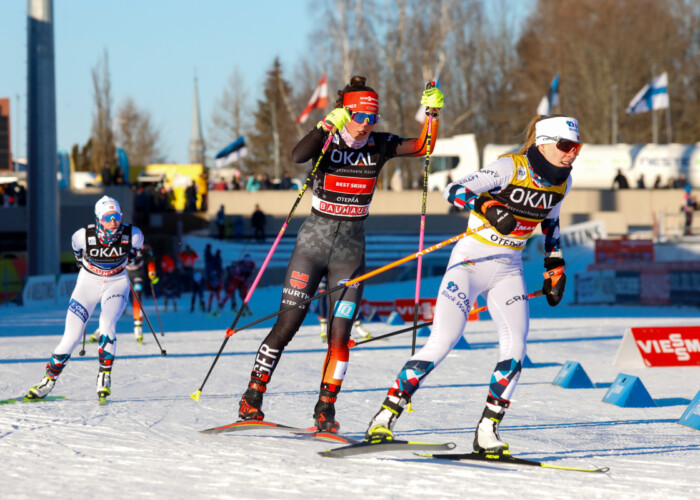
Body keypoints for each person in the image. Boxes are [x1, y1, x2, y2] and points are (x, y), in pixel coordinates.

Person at [236, 75, 445, 432]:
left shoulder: (379, 145)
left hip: (350, 255)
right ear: (345, 114)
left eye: (371, 118)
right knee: (288, 324)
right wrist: (323, 126)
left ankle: (326, 408)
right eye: (359, 117)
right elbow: (298, 155)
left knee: (340, 334)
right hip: (311, 250)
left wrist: (433, 113)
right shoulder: (327, 140)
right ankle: (252, 396)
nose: (365, 125)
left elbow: (423, 146)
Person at [363, 114, 580, 453]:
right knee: (442, 342)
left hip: (508, 270)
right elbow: (454, 189)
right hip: (469, 263)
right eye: (566, 146)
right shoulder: (511, 167)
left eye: (576, 147)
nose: (572, 153)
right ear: (544, 143)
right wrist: (489, 205)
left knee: (516, 348)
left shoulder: (562, 182)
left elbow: (551, 226)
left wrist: (555, 268)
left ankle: (487, 431)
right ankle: (383, 418)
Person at [27, 196, 144, 402]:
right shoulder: (82, 236)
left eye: (116, 216)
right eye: (108, 217)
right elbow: (78, 257)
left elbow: (132, 257)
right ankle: (48, 381)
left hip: (116, 283)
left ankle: (104, 376)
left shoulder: (133, 235)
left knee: (106, 323)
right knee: (71, 337)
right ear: (99, 219)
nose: (113, 222)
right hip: (88, 283)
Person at [316, 276, 371, 343]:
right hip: (328, 270)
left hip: (335, 270)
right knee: (323, 294)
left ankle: (358, 326)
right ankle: (324, 329)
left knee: (343, 295)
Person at [125, 244, 157, 343]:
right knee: (116, 299)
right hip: (125, 273)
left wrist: (152, 273)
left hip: (138, 274)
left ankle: (138, 328)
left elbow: (151, 260)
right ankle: (102, 329)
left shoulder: (144, 248)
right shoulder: (122, 243)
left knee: (137, 298)